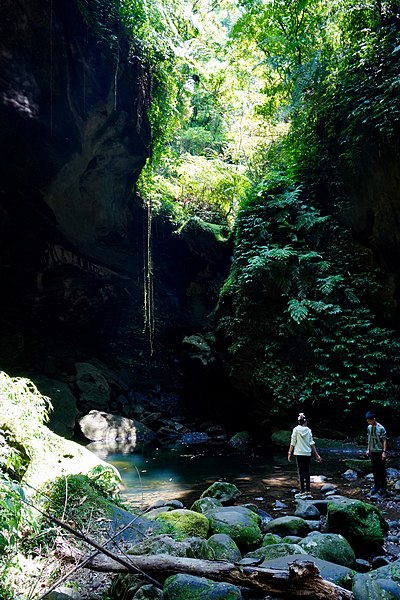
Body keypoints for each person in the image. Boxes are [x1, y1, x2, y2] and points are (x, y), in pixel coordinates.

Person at [288, 412, 322, 499]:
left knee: (301, 472)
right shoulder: (308, 430)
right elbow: (312, 444)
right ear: (305, 422)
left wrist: (289, 453)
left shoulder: (296, 430)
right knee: (307, 472)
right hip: (307, 454)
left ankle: (302, 492)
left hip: (299, 453)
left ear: (299, 422)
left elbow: (293, 443)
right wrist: (317, 455)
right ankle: (308, 492)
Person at [365, 410, 387, 497]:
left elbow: (384, 440)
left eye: (370, 421)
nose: (369, 422)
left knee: (381, 469)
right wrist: (368, 449)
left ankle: (383, 487)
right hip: (373, 451)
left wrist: (384, 452)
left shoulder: (381, 428)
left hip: (380, 451)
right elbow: (369, 439)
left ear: (374, 419)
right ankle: (376, 485)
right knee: (375, 469)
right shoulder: (369, 427)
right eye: (368, 421)